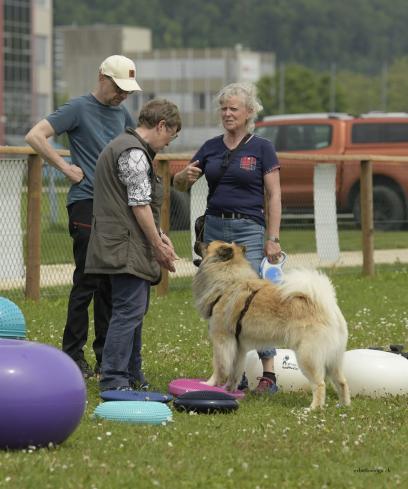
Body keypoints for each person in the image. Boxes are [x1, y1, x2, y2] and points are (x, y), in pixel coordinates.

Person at [25, 55, 141, 380]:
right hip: (86, 203)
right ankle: (72, 356)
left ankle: (106, 357)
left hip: (114, 208)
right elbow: (35, 135)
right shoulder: (77, 108)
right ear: (102, 77)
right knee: (87, 281)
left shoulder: (122, 114)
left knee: (109, 283)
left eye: (127, 91)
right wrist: (64, 168)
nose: (122, 96)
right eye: (119, 88)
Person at [173, 82, 282, 394]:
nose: (227, 113)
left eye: (233, 108)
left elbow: (273, 195)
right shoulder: (210, 147)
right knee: (219, 304)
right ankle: (232, 373)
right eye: (223, 108)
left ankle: (268, 375)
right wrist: (183, 178)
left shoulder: (262, 148)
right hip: (216, 232)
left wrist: (272, 238)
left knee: (255, 299)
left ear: (249, 112)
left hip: (249, 230)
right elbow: (180, 184)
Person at [85, 98, 181, 392]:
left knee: (134, 310)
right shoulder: (134, 153)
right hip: (125, 247)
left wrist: (160, 234)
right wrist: (158, 246)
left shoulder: (126, 146)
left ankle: (132, 374)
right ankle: (115, 378)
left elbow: (138, 206)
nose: (168, 144)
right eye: (170, 135)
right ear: (161, 125)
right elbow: (139, 205)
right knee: (129, 311)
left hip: (124, 243)